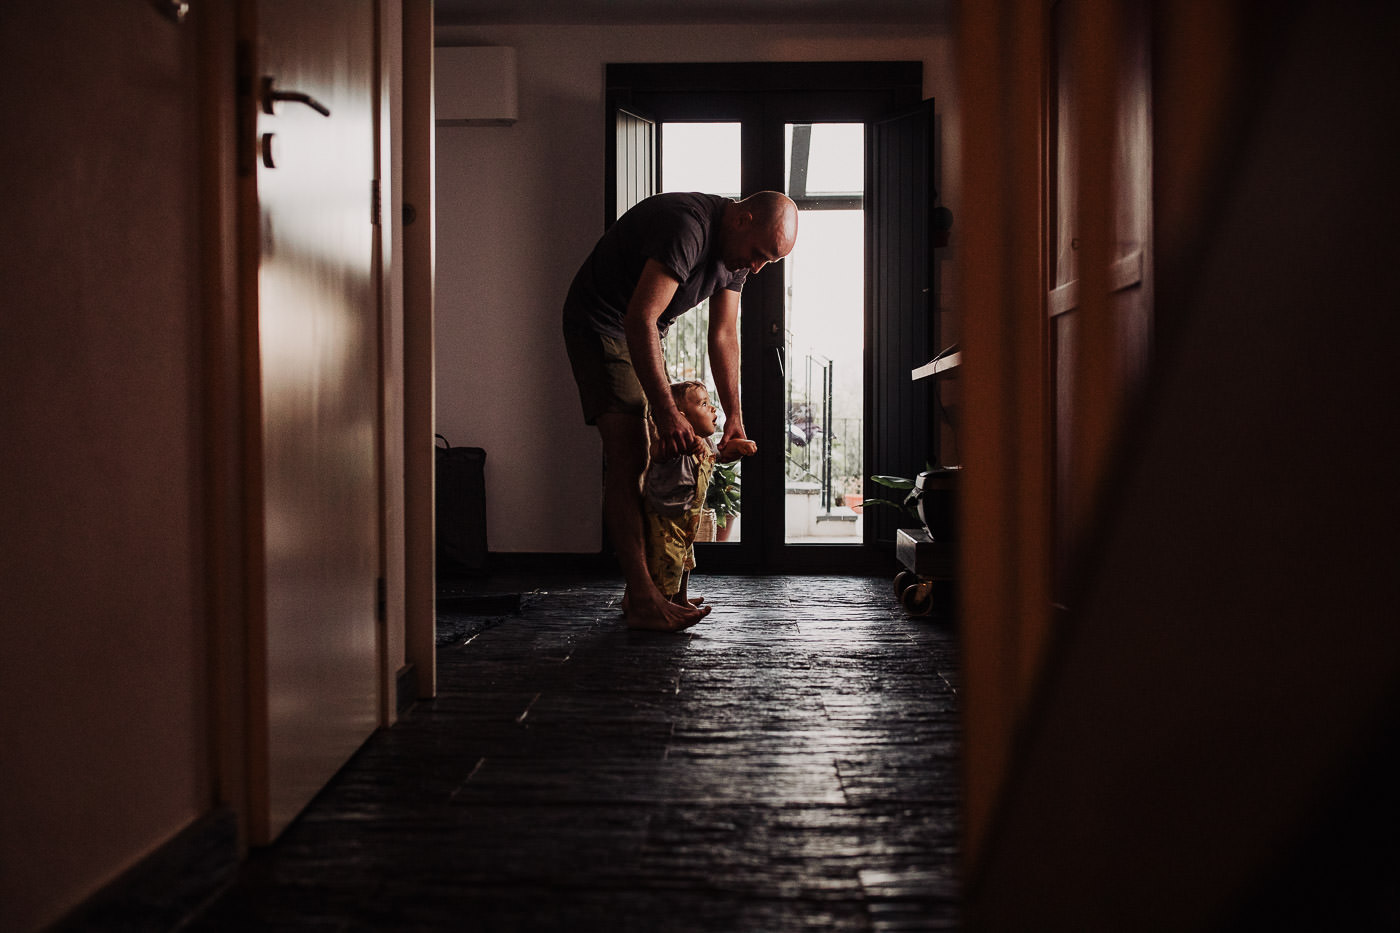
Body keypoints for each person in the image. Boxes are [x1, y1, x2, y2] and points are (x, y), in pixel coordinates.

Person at [562, 190, 798, 631]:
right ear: (742, 219)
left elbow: (725, 334)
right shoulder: (688, 226)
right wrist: (666, 411)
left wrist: (735, 417)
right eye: (759, 255)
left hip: (643, 326)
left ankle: (653, 586)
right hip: (601, 321)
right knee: (632, 454)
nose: (758, 267)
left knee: (662, 453)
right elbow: (638, 319)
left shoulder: (736, 255)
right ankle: (643, 597)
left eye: (769, 261)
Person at [642, 381, 720, 611]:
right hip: (666, 518)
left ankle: (680, 600)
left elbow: (719, 455)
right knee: (668, 563)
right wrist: (682, 444)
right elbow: (655, 454)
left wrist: (738, 447)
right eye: (704, 404)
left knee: (685, 561)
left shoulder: (705, 441)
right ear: (683, 418)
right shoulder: (673, 442)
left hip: (686, 518)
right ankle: (663, 605)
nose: (713, 409)